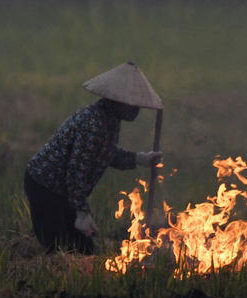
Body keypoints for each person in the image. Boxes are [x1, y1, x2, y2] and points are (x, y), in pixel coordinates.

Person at [24, 67, 163, 254]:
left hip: (65, 188)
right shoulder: (93, 122)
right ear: (117, 101)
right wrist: (81, 212)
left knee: (84, 249)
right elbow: (77, 169)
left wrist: (140, 159)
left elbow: (106, 153)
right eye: (132, 105)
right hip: (45, 183)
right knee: (56, 244)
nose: (135, 110)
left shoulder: (110, 119)